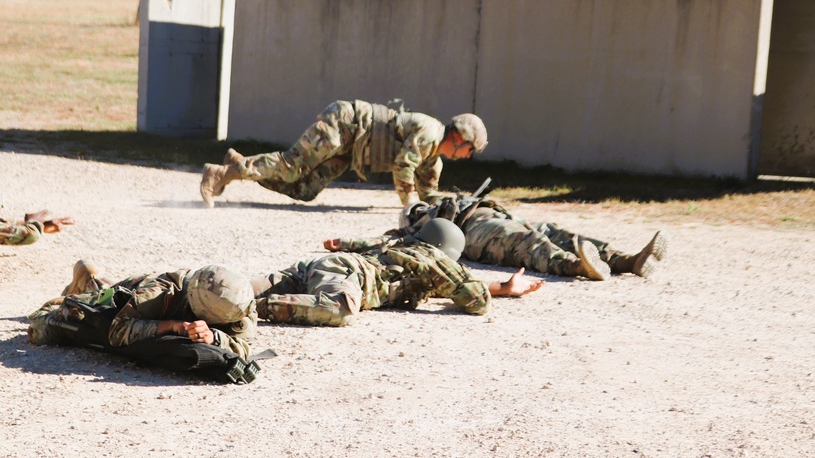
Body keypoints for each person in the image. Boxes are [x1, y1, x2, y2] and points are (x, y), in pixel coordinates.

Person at [251, 218, 543, 327]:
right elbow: (475, 300)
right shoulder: (431, 258)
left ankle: (218, 297)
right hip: (345, 277)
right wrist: (488, 289)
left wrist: (505, 286)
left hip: (318, 269)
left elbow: (445, 285)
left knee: (245, 286)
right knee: (341, 309)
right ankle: (252, 308)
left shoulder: (405, 245)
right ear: (445, 253)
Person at [199, 99, 488, 208]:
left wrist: (457, 203)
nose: (467, 156)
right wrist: (408, 206)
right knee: (292, 166)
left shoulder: (433, 160)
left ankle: (238, 165)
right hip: (346, 125)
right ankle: (219, 175)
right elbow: (403, 168)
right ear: (460, 138)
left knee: (305, 189)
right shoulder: (430, 133)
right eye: (470, 150)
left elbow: (427, 195)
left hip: (351, 148)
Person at [390, 196, 668, 281]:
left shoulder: (443, 202)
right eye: (416, 211)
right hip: (476, 232)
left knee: (558, 233)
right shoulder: (414, 230)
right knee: (529, 242)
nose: (422, 209)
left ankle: (626, 260)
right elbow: (422, 248)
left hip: (497, 217)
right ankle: (577, 266)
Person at [28, 260, 257, 361]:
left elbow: (242, 345)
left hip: (143, 299)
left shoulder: (239, 301)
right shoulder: (158, 293)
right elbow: (117, 332)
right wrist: (171, 326)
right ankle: (87, 280)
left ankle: (91, 279)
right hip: (130, 296)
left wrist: (215, 338)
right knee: (43, 324)